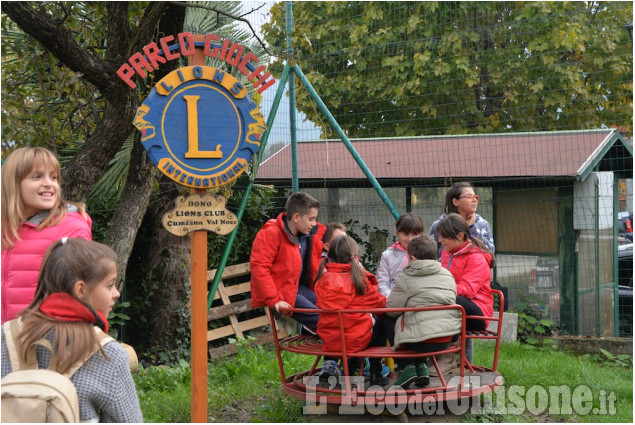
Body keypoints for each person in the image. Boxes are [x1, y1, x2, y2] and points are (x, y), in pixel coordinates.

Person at [1, 238, 143, 422]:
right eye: (110, 285)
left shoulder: (6, 336)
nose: (116, 293)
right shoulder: (108, 354)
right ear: (81, 289)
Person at [1, 147, 92, 323]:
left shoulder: (70, 228)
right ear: (13, 183)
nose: (49, 183)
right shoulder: (5, 227)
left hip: (43, 339)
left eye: (54, 177)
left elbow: (80, 295)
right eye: (37, 176)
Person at [385, 235, 461, 388]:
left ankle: (406, 367)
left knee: (389, 320)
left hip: (420, 341)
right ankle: (422, 367)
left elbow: (392, 309)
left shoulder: (407, 277)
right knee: (420, 320)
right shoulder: (447, 275)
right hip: (446, 339)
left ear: (412, 258)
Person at [314, 235, 388, 386]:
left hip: (330, 341)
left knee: (353, 323)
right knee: (380, 322)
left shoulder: (322, 279)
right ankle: (376, 371)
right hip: (354, 341)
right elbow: (379, 305)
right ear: (355, 257)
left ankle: (347, 368)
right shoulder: (359, 280)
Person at [250, 192, 326, 332]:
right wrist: (275, 300)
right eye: (311, 219)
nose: (314, 223)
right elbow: (259, 268)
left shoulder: (307, 235)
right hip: (283, 293)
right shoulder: (271, 233)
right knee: (323, 320)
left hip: (300, 289)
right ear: (297, 217)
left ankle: (318, 335)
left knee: (334, 310)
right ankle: (332, 341)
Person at [437, 213, 495, 363]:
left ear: (460, 236)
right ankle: (437, 360)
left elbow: (467, 290)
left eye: (444, 236)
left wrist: (439, 291)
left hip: (478, 310)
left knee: (448, 301)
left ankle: (447, 361)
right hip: (455, 304)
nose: (440, 240)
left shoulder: (477, 258)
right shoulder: (446, 253)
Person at [429, 182, 494, 260]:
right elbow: (429, 253)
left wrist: (471, 228)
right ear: (455, 201)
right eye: (469, 197)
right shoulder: (438, 225)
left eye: (475, 197)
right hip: (445, 271)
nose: (475, 200)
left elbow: (490, 252)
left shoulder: (482, 224)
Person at [377, 213, 425, 297]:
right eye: (406, 234)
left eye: (414, 235)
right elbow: (382, 283)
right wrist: (391, 298)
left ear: (421, 234)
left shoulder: (425, 253)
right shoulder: (387, 255)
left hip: (418, 299)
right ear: (397, 233)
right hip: (394, 301)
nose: (410, 239)